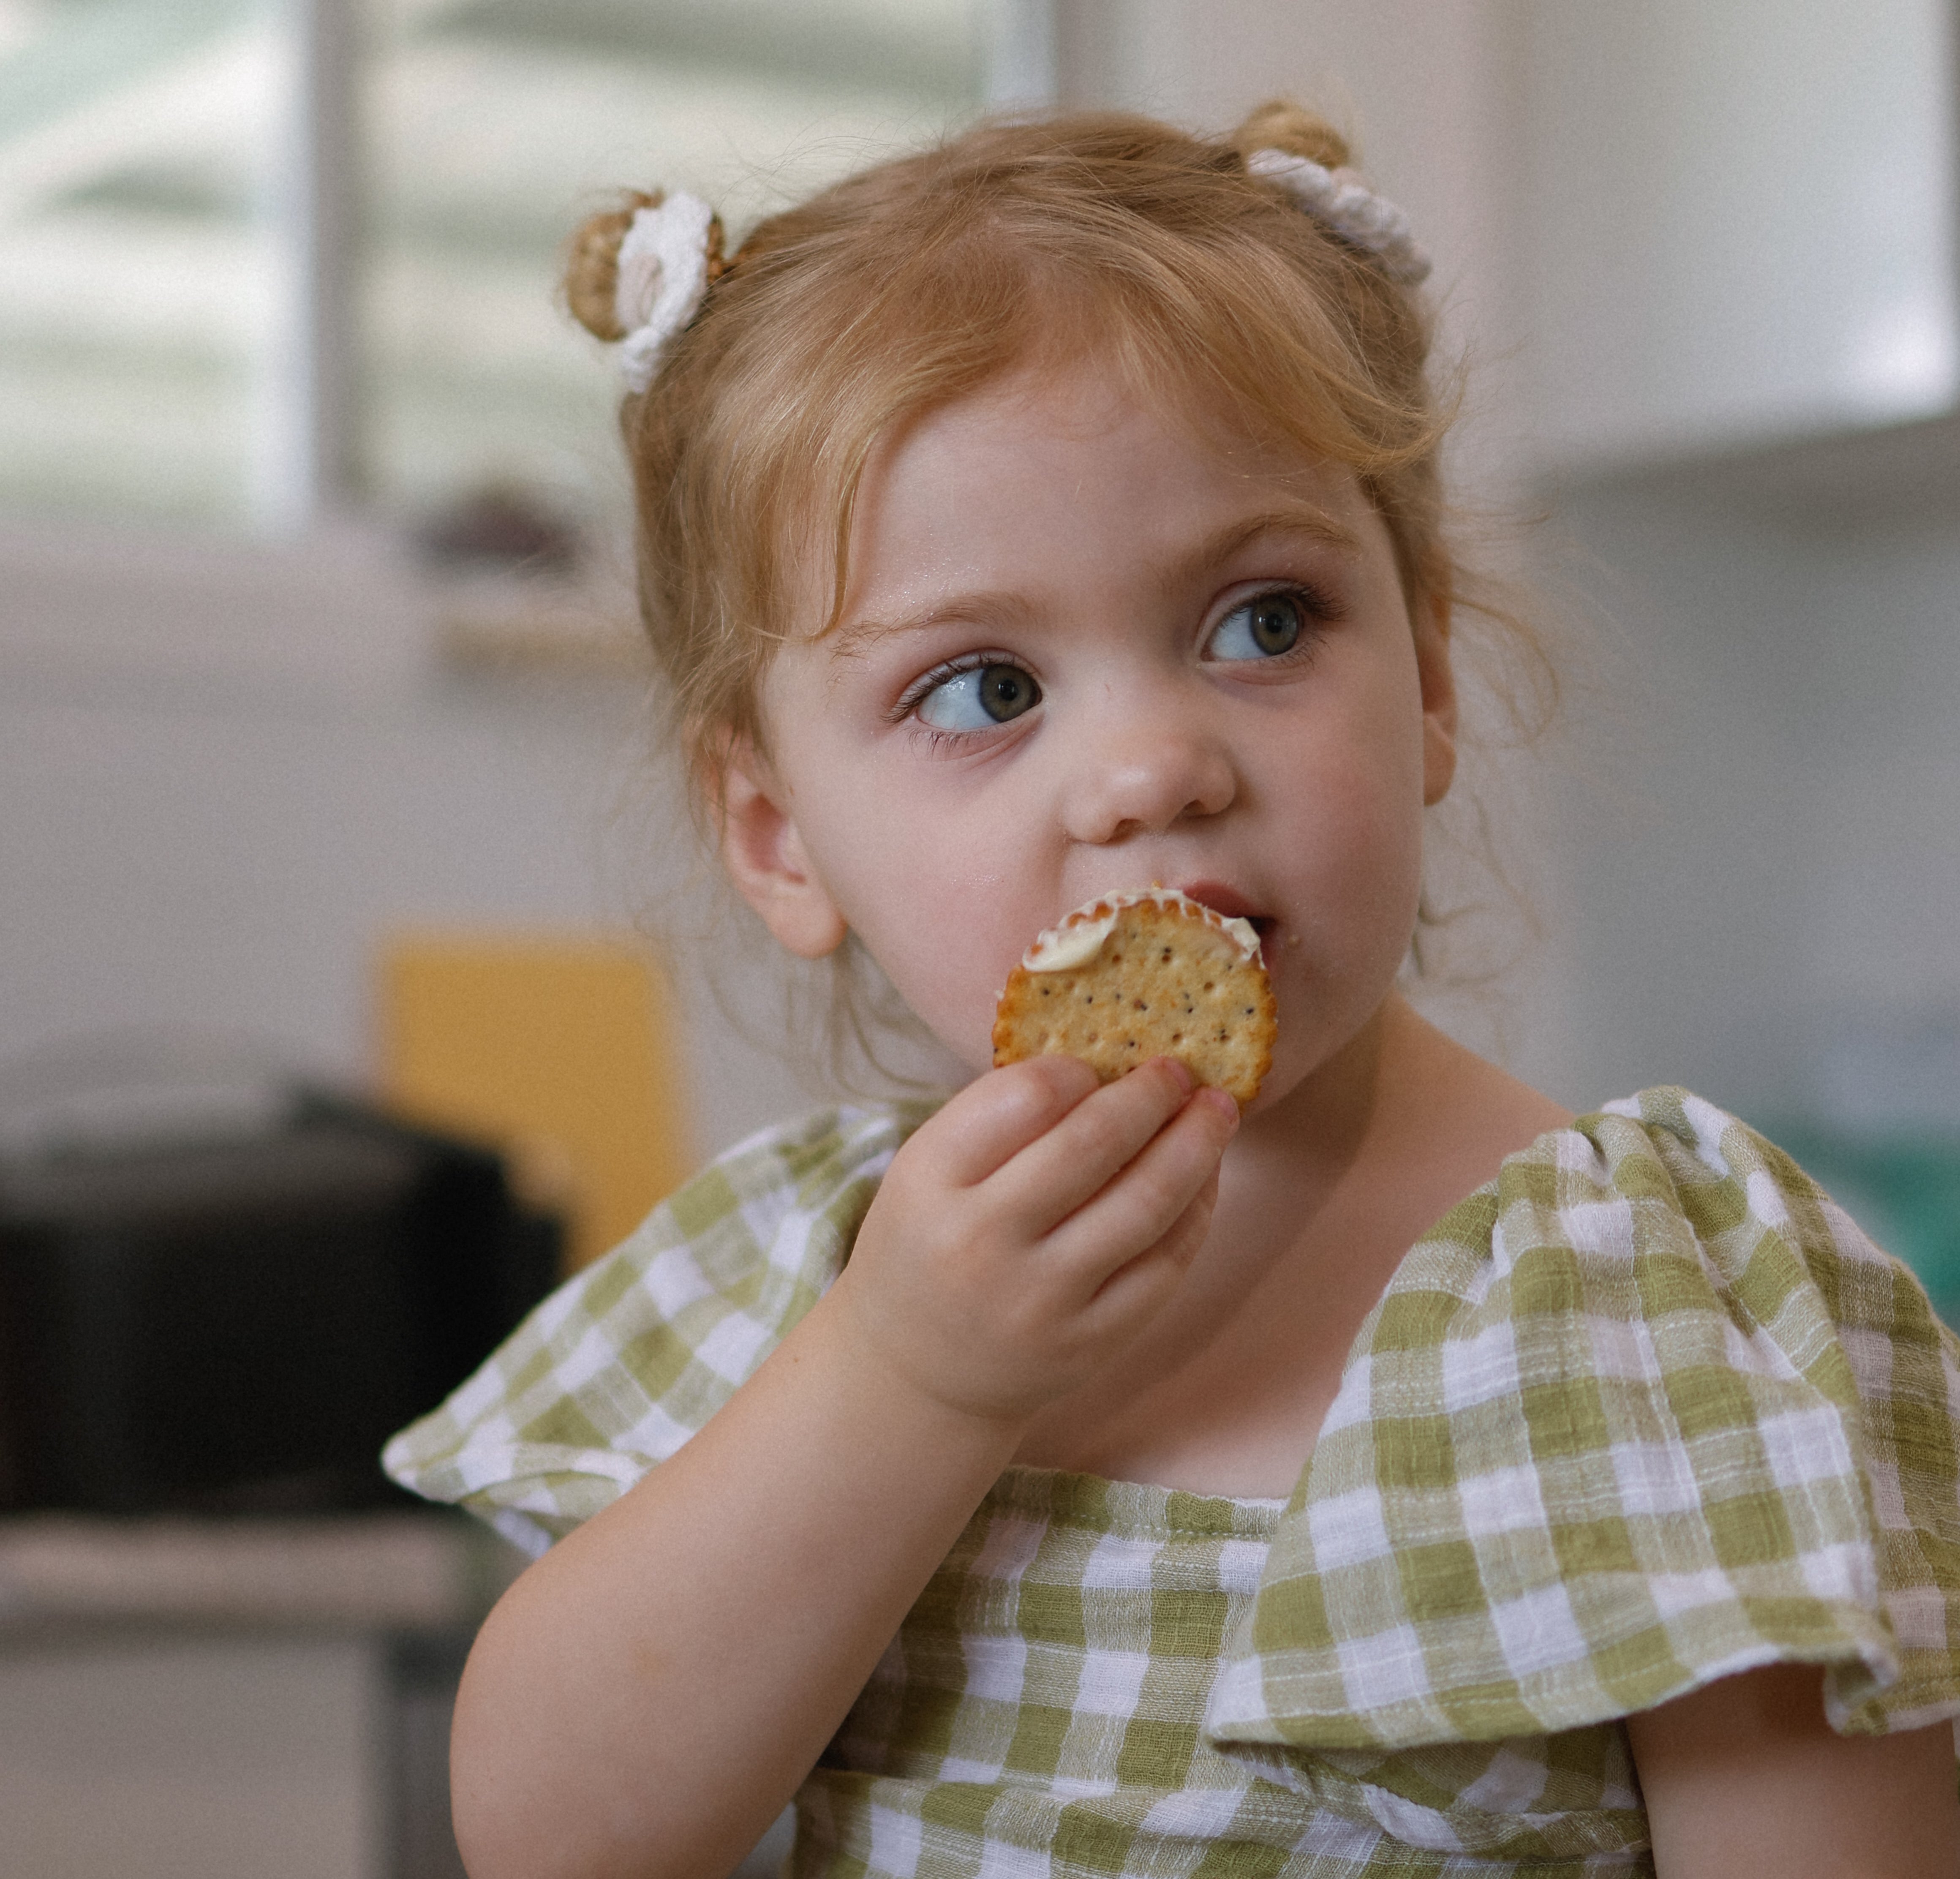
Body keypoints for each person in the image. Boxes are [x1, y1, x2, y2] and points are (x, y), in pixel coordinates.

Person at [384, 103, 1960, 1879]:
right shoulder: (800, 1284)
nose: (1153, 764)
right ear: (777, 835)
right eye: (982, 689)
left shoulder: (1660, 1304)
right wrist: (907, 1379)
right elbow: (549, 1832)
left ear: (1427, 674)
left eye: (1262, 622)